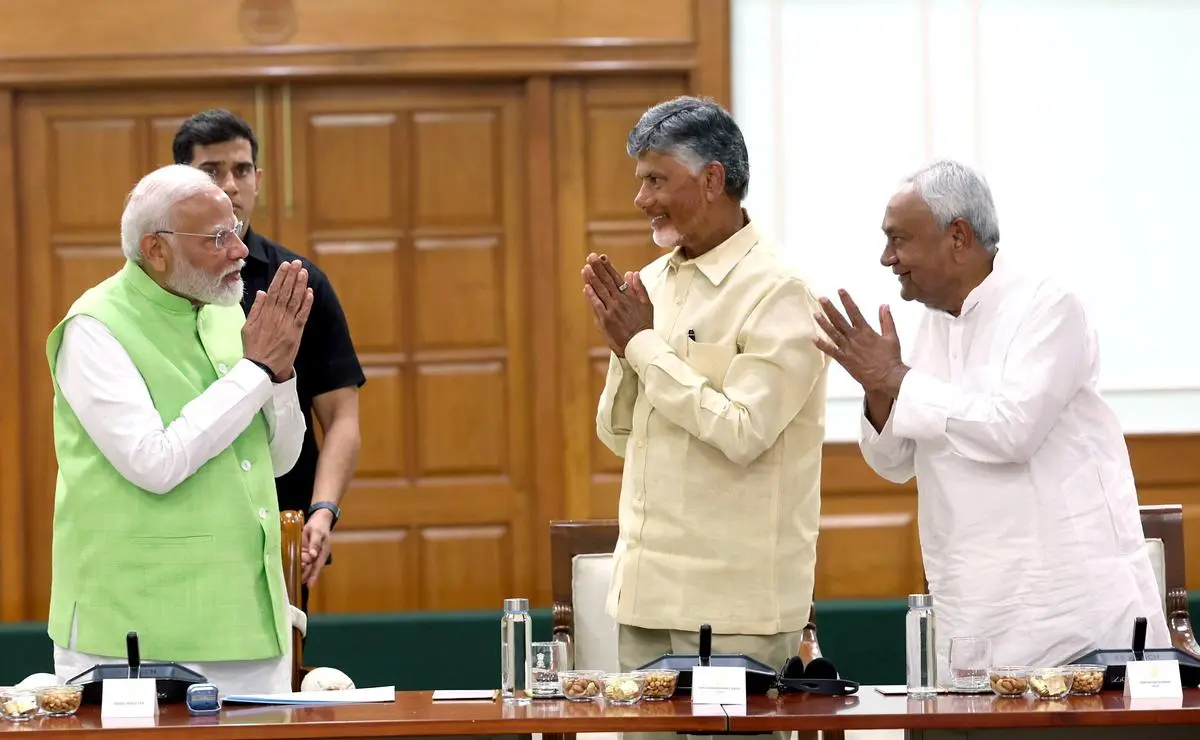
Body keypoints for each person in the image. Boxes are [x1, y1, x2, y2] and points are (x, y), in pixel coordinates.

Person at [813, 159, 1170, 675]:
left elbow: (1010, 431)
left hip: (1072, 616)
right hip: (973, 613)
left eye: (899, 240)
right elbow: (894, 463)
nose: (887, 258)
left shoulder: (1047, 306)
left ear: (957, 237)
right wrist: (878, 388)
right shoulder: (928, 324)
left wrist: (897, 379)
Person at [583, 96, 828, 739]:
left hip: (733, 607)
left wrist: (642, 345)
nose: (641, 198)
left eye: (655, 179)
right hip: (643, 596)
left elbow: (744, 431)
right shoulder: (657, 281)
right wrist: (626, 347)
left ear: (712, 179)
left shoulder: (779, 291)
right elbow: (617, 434)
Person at [46, 164, 313, 695]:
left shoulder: (227, 313)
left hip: (249, 621)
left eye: (235, 228)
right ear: (157, 249)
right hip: (135, 628)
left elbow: (279, 461)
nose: (240, 250)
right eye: (217, 237)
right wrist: (256, 371)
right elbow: (155, 462)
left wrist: (280, 377)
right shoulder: (94, 328)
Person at [173, 110, 365, 607]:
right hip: (178, 521)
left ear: (258, 179)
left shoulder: (297, 282)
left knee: (280, 676)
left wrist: (322, 511)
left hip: (279, 522)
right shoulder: (160, 285)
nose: (230, 185)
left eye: (242, 170)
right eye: (211, 172)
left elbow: (340, 416)